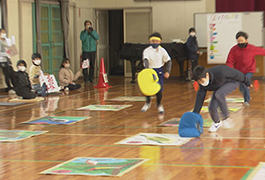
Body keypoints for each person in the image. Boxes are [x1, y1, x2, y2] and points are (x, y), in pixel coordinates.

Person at [192, 65, 252, 132]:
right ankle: (216, 123)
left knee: (219, 94)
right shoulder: (202, 85)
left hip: (232, 82)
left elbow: (237, 74)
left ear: (207, 74)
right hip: (219, 88)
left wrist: (247, 82)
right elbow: (199, 99)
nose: (200, 82)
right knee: (212, 108)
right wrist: (195, 114)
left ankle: (226, 118)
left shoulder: (221, 71)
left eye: (201, 80)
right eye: (198, 81)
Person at [226, 31, 265, 107]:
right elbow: (229, 60)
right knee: (241, 87)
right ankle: (245, 93)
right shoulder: (234, 49)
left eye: (242, 41)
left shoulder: (251, 48)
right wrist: (229, 70)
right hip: (239, 71)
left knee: (245, 82)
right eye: (238, 41)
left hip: (249, 70)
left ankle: (246, 100)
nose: (240, 42)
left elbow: (262, 51)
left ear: (246, 40)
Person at [141, 32, 172, 113]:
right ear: (150, 41)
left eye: (156, 41)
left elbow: (169, 60)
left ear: (160, 41)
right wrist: (148, 71)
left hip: (159, 71)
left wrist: (167, 71)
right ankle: (148, 102)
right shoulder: (147, 50)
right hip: (149, 70)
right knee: (147, 88)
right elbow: (146, 60)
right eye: (153, 41)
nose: (155, 43)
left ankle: (159, 104)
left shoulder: (162, 50)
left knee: (159, 89)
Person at [0, 28, 15, 93]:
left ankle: (14, 86)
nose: (4, 34)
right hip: (1, 60)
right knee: (7, 73)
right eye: (2, 32)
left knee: (11, 72)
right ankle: (9, 87)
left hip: (7, 59)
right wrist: (6, 54)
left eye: (4, 32)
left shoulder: (6, 40)